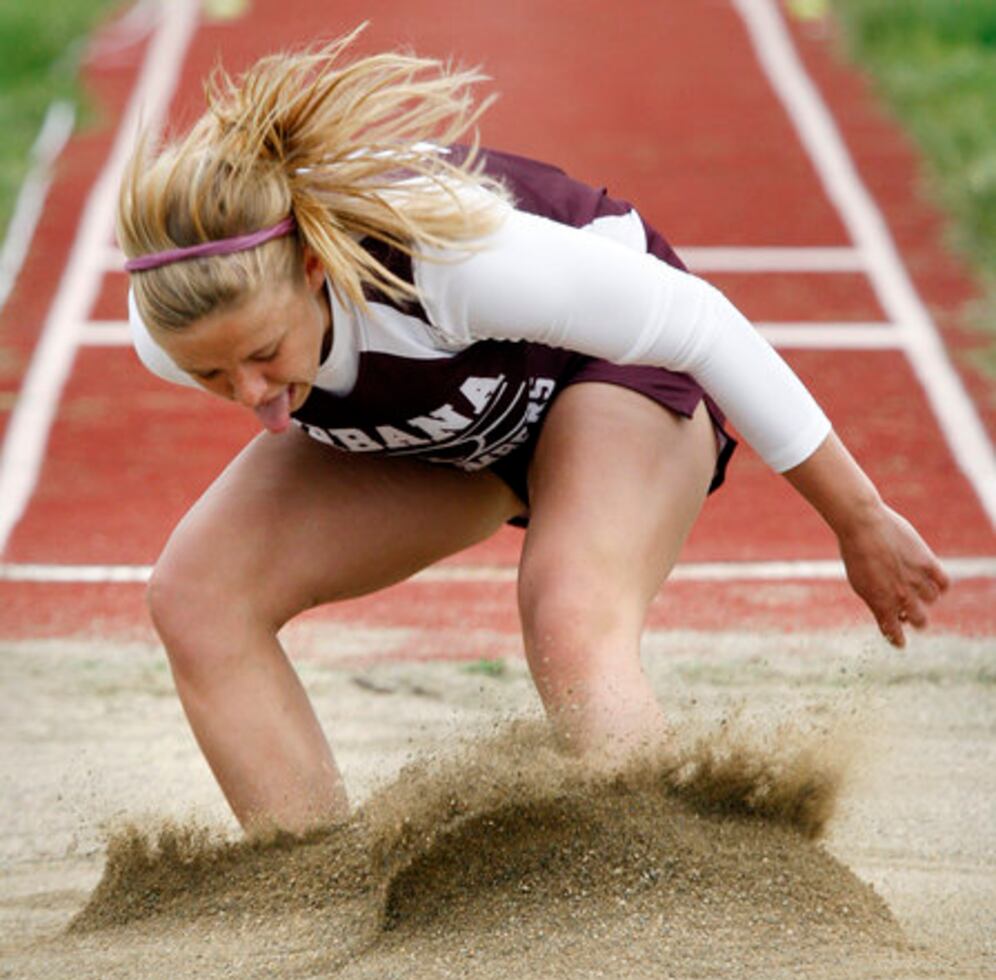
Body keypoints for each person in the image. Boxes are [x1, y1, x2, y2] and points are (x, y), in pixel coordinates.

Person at [117, 30, 949, 835]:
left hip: (596, 377)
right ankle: (315, 888)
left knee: (568, 609)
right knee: (197, 597)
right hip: (456, 432)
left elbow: (700, 325)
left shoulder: (443, 256)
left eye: (264, 356)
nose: (258, 403)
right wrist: (249, 362)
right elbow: (244, 374)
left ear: (312, 270)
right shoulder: (175, 324)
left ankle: (680, 884)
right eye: (214, 378)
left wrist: (858, 517)